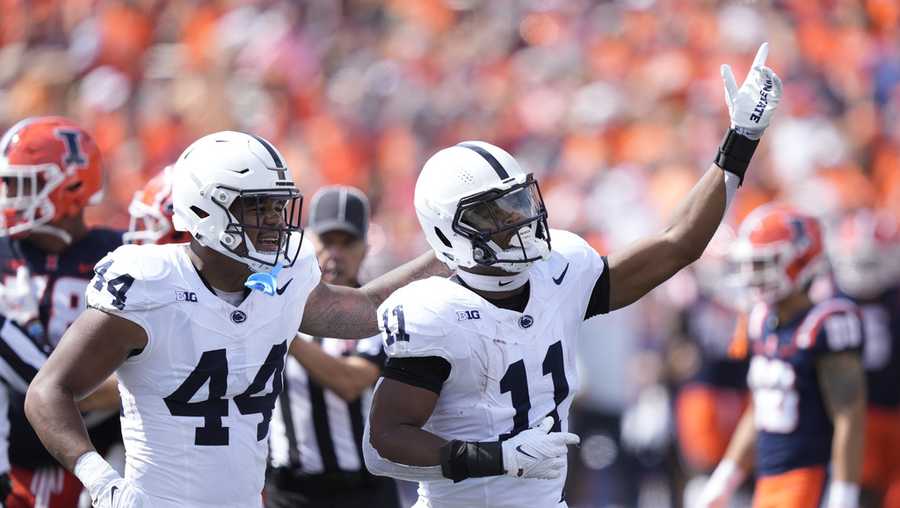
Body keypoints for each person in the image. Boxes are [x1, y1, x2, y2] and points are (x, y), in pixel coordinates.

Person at [362, 44, 782, 507]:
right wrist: (496, 457)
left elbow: (677, 243)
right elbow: (385, 443)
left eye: (516, 203)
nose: (516, 222)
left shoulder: (558, 272)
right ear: (447, 232)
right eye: (490, 216)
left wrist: (740, 141)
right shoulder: (435, 312)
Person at [24, 130, 447, 508]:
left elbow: (366, 310)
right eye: (257, 209)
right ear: (205, 210)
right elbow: (47, 391)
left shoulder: (287, 278)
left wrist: (451, 252)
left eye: (277, 208)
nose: (275, 223)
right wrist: (99, 480)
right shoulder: (149, 284)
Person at [700, 205, 867, 508]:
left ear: (802, 260)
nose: (753, 275)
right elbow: (759, 410)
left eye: (764, 264)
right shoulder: (762, 320)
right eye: (749, 264)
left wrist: (844, 494)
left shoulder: (826, 323)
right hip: (769, 480)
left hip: (810, 478)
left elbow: (849, 416)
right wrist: (724, 478)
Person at [0, 116, 123, 508]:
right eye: (9, 184)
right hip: (14, 452)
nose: (11, 197)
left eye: (26, 184)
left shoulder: (121, 255)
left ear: (71, 185)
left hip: (103, 447)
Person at [267, 185, 400, 508]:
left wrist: (284, 332)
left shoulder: (380, 313)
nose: (335, 254)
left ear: (366, 247)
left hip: (362, 492)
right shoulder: (274, 301)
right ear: (309, 241)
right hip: (290, 490)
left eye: (347, 242)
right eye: (328, 241)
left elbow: (350, 382)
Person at [828, 208, 900, 507]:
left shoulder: (831, 298)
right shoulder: (829, 301)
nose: (862, 270)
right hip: (859, 417)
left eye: (871, 261)